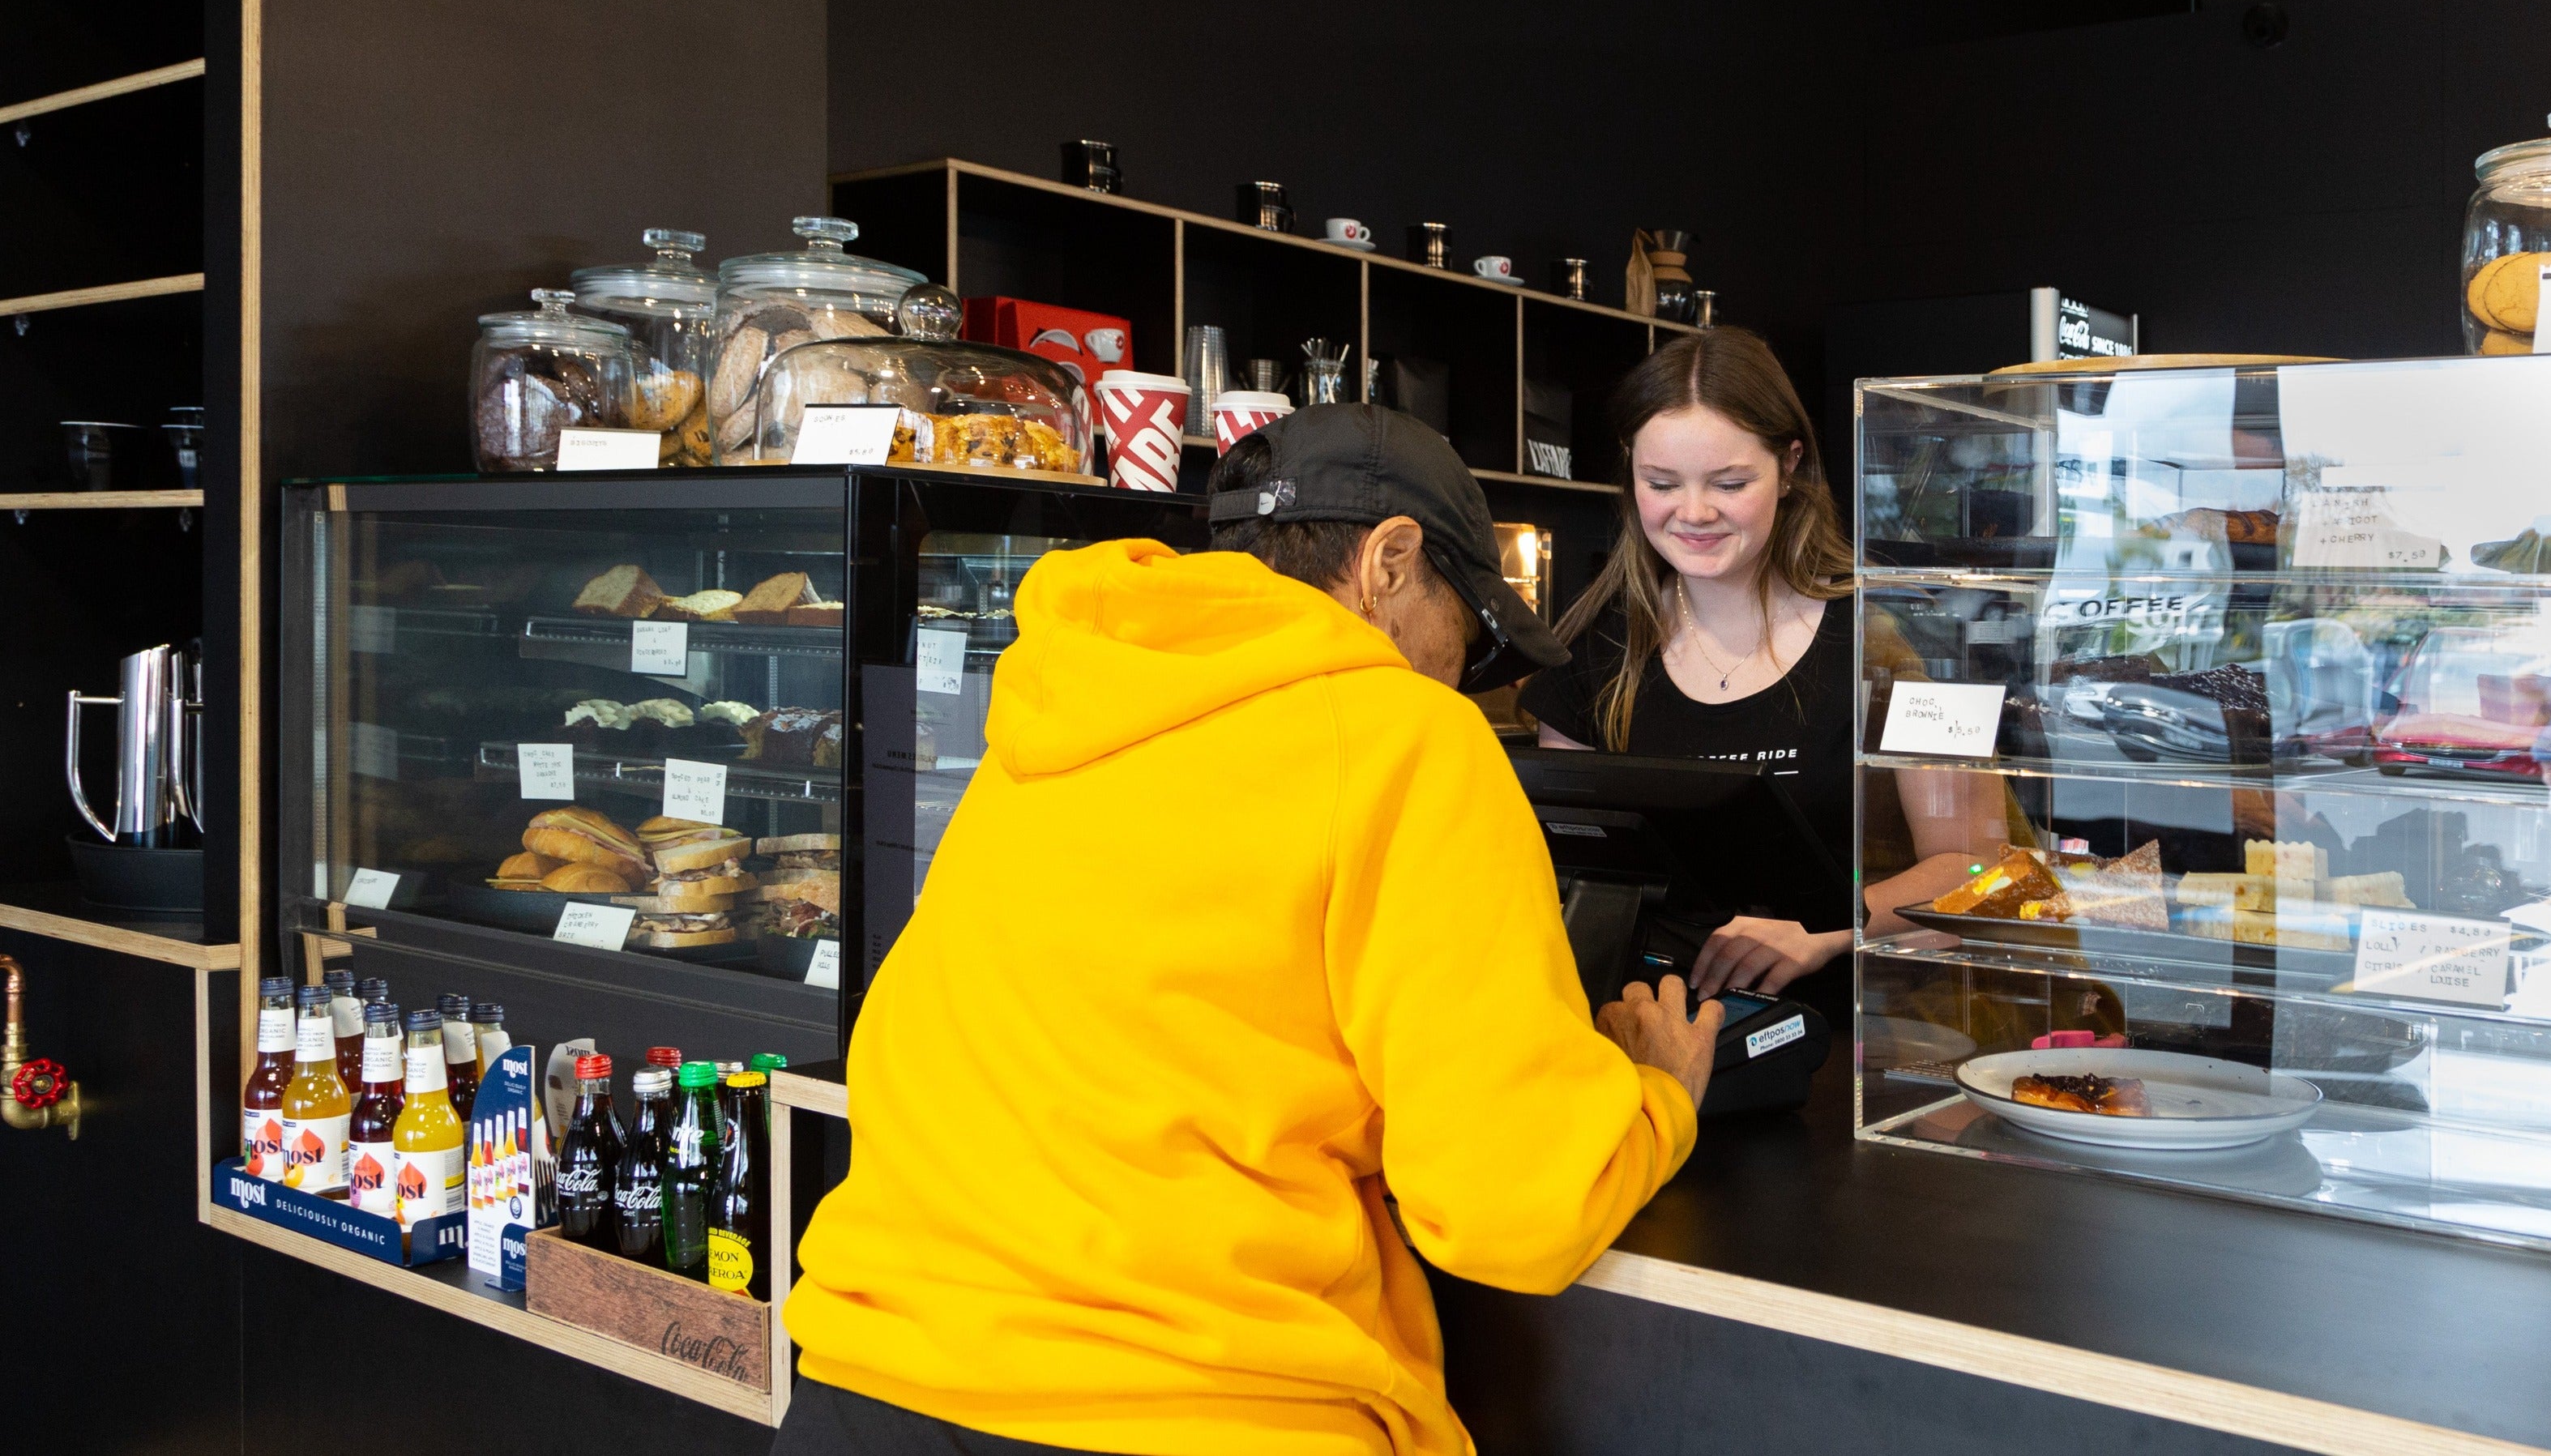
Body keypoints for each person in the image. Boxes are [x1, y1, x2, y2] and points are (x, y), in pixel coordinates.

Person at [782, 404, 1722, 1456]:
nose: (1463, 671)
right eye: (1471, 628)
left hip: (865, 1381)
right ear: (1391, 563)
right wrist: (1659, 1097)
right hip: (1194, 1409)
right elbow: (1516, 1204)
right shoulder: (1406, 735)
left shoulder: (1062, 703)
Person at [1523, 330, 2002, 1004]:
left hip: (1866, 1049)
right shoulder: (1594, 653)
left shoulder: (1896, 639)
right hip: (1652, 1043)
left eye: (1730, 482)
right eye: (1661, 483)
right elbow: (1569, 877)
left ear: (1790, 465)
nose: (1693, 512)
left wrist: (1834, 930)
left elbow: (1979, 870)